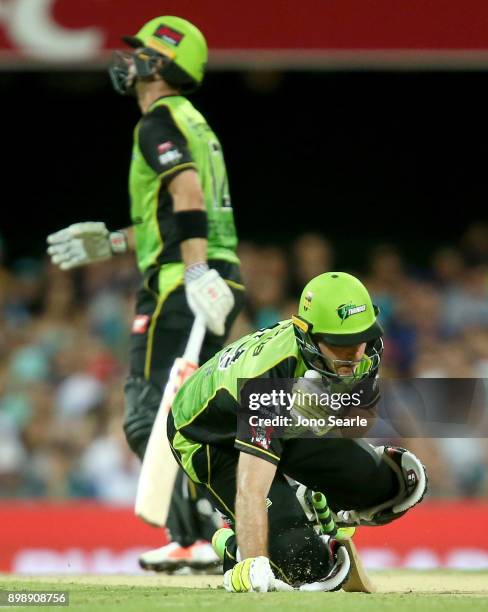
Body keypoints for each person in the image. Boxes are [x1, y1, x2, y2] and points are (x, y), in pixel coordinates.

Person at [47, 16, 245, 571]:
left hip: (183, 284)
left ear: (163, 64)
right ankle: (201, 534)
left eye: (141, 52)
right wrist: (113, 241)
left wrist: (195, 270)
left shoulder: (157, 120)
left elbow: (185, 195)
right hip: (209, 275)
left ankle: (210, 531)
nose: (129, 59)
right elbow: (172, 212)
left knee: (151, 420)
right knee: (192, 415)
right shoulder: (193, 121)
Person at [167, 272, 428, 591]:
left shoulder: (365, 346)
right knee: (307, 566)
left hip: (284, 417)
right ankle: (234, 547)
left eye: (360, 339)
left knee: (396, 483)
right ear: (307, 337)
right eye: (341, 345)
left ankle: (305, 504)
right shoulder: (268, 382)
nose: (356, 355)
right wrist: (253, 564)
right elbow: (251, 488)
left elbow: (360, 421)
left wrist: (333, 482)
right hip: (209, 438)